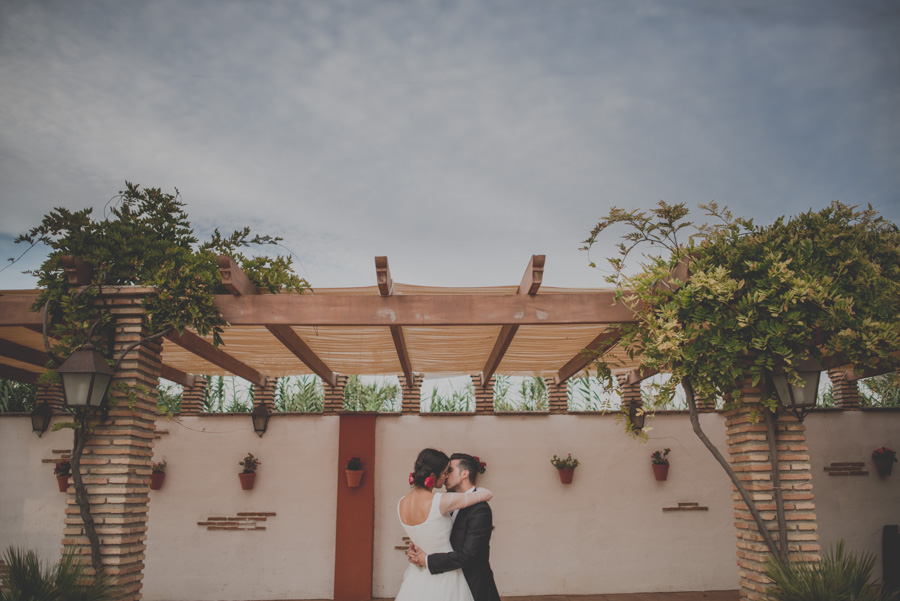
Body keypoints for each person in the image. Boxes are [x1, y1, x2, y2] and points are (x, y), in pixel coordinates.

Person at [396, 449, 494, 601]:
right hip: (440, 579)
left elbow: (470, 555)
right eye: (445, 471)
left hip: (471, 584)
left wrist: (426, 559)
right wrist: (418, 549)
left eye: (450, 470)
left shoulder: (479, 509)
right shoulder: (443, 501)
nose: (446, 475)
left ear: (464, 474)